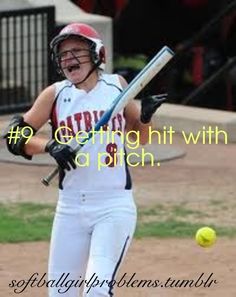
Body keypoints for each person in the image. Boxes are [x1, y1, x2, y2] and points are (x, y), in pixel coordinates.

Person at [3, 23, 166, 296]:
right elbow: (14, 138)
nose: (69, 58)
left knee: (96, 292)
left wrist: (145, 117)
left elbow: (139, 138)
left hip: (113, 206)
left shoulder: (117, 87)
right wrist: (50, 146)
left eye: (76, 50)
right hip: (69, 210)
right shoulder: (55, 94)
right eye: (64, 54)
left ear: (97, 54)